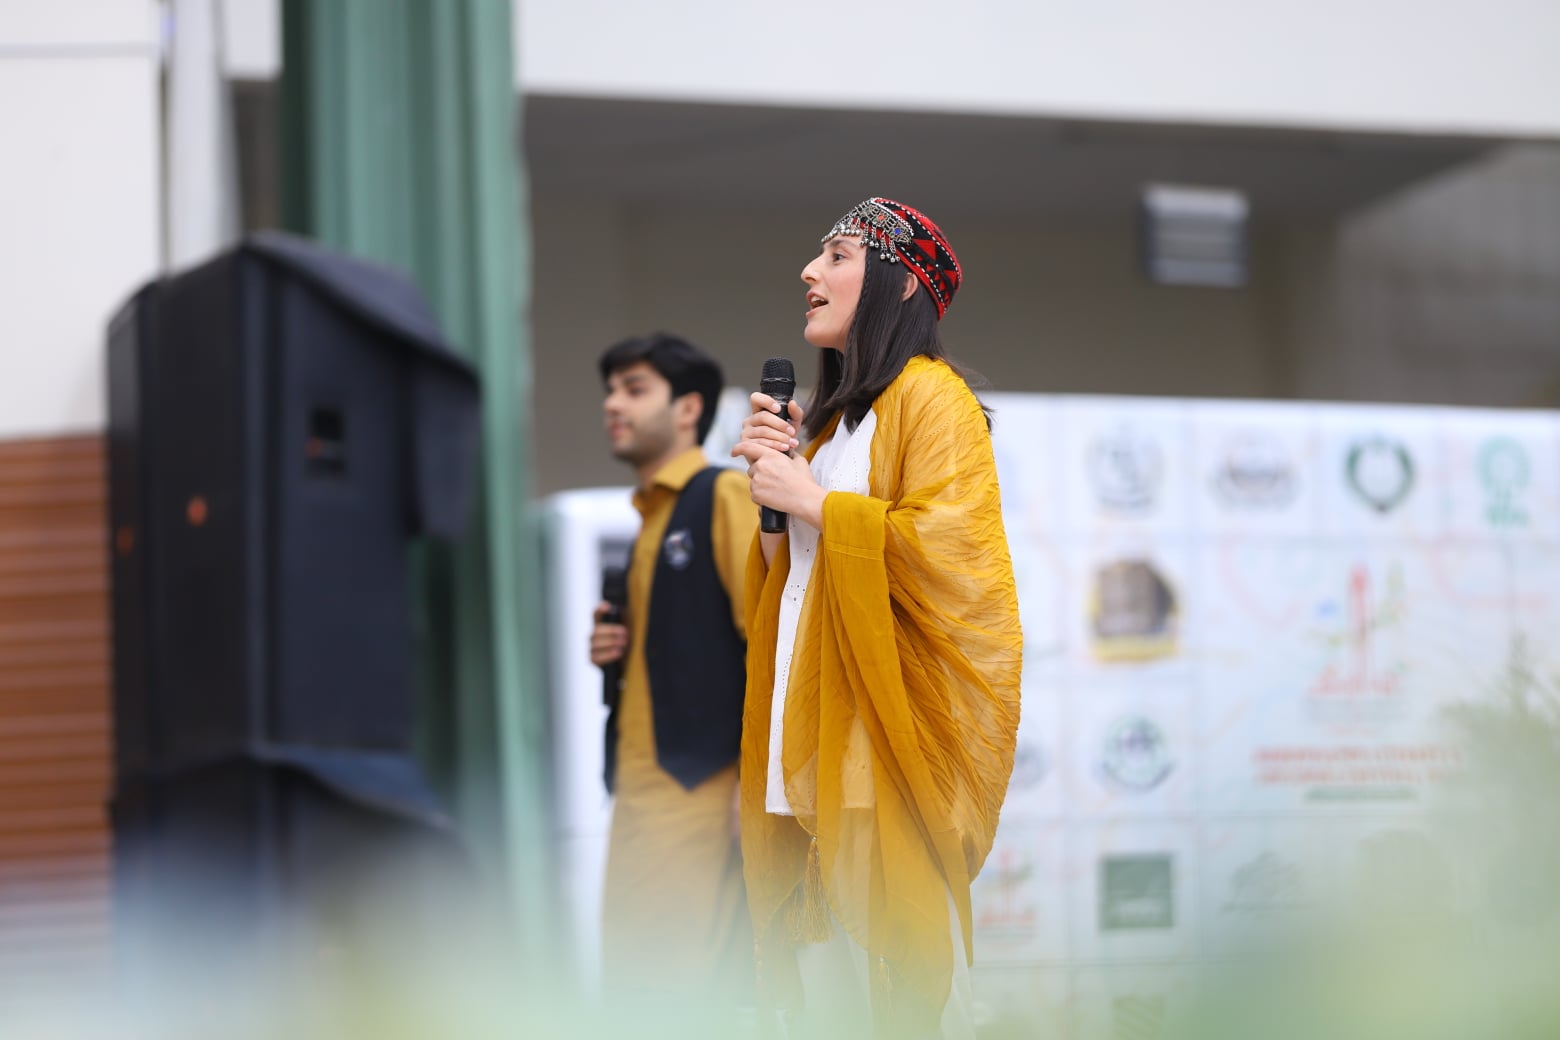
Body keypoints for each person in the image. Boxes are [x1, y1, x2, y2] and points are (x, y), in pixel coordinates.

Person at [730, 198, 1024, 1038]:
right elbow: (792, 586)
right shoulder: (832, 430)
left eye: (837, 256)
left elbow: (953, 561)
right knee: (828, 1002)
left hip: (880, 750)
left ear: (899, 285)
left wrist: (816, 502)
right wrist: (781, 493)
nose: (809, 272)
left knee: (896, 993)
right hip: (813, 739)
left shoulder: (933, 399)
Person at [589, 333, 757, 1016]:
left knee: (684, 1004)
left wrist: (755, 788)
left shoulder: (725, 495)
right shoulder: (651, 517)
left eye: (634, 390)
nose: (612, 405)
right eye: (610, 390)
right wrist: (622, 648)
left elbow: (772, 643)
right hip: (640, 801)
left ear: (688, 408)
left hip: (703, 802)